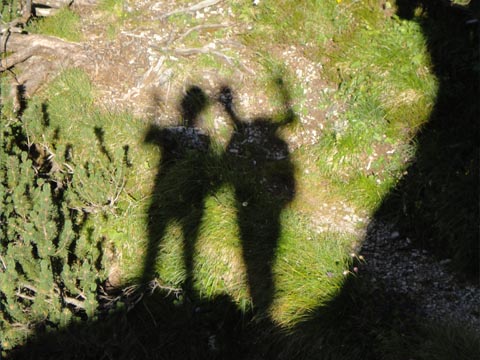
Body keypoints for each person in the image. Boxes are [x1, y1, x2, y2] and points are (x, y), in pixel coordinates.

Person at [219, 80, 296, 316]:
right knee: (264, 250)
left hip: (257, 211)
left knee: (260, 251)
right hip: (264, 211)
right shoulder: (277, 146)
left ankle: (263, 309)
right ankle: (265, 309)